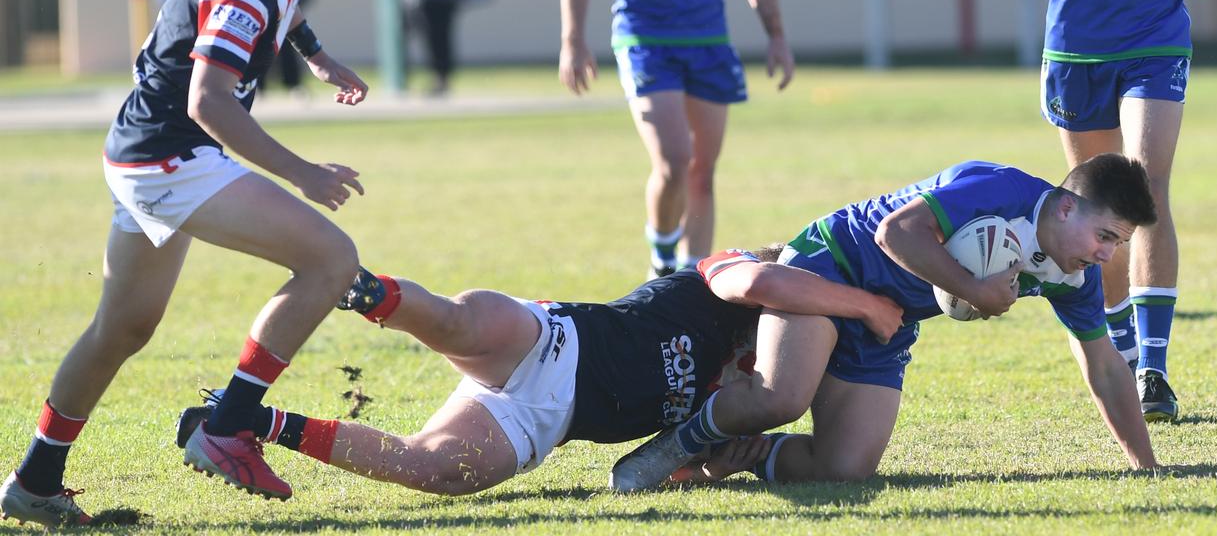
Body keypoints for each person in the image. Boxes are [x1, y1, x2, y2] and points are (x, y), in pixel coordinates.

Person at [0, 0, 366, 526]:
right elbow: (207, 101)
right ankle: (227, 427)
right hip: (172, 156)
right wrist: (301, 174)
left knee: (123, 328)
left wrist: (316, 54)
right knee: (331, 259)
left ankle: (33, 482)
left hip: (143, 151)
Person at [610, 154, 1162, 490]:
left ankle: (736, 456)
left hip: (889, 322)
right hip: (832, 268)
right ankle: (671, 448)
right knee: (781, 398)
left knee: (845, 469)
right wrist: (973, 290)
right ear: (1066, 207)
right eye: (1106, 236)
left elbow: (1106, 368)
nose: (1107, 255)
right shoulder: (1001, 191)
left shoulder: (1076, 274)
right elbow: (894, 234)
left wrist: (1147, 468)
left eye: (1118, 243)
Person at [171, 251, 904, 496]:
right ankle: (346, 281)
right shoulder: (729, 280)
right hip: (553, 342)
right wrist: (855, 299)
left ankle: (240, 423)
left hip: (545, 422)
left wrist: (722, 467)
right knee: (458, 322)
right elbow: (761, 278)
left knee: (434, 469)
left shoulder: (744, 394)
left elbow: (676, 468)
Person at [988, 0, 1217, 423]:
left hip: (1157, 36)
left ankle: (1153, 369)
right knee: (1100, 210)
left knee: (1144, 187)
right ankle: (1117, 350)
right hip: (1077, 47)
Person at [558, 0, 795, 279]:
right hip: (645, 39)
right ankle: (662, 262)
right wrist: (572, 39)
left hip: (708, 40)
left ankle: (691, 284)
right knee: (673, 162)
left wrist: (777, 34)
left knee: (702, 171)